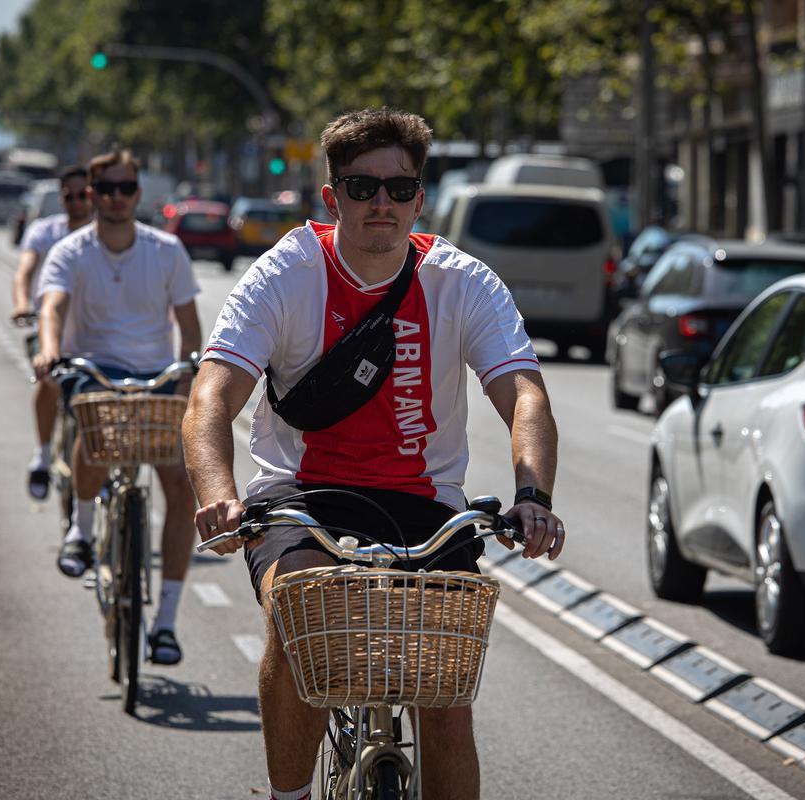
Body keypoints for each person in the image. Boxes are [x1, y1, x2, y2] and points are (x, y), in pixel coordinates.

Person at [182, 107, 566, 800]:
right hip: (302, 495)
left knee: (445, 697)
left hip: (425, 506)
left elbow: (526, 399)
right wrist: (217, 491)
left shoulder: (463, 281)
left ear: (421, 197)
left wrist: (532, 496)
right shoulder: (285, 274)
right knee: (307, 623)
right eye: (362, 188)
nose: (381, 203)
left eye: (398, 188)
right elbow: (210, 399)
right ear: (332, 197)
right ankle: (289, 795)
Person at [32, 149, 201, 665]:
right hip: (93, 366)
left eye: (125, 188)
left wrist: (190, 377)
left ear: (137, 193)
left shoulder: (167, 250)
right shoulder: (70, 251)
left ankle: (166, 622)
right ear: (90, 194)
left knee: (180, 483)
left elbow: (190, 329)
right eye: (104, 190)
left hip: (154, 377)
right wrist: (48, 349)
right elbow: (52, 306)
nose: (115, 198)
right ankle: (81, 531)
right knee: (95, 430)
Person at [12, 165, 93, 500]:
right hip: (49, 329)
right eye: (69, 196)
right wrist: (21, 304)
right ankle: (43, 454)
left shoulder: (104, 235)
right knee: (49, 377)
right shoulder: (44, 232)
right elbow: (25, 272)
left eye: (82, 194)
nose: (76, 202)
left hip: (90, 334)